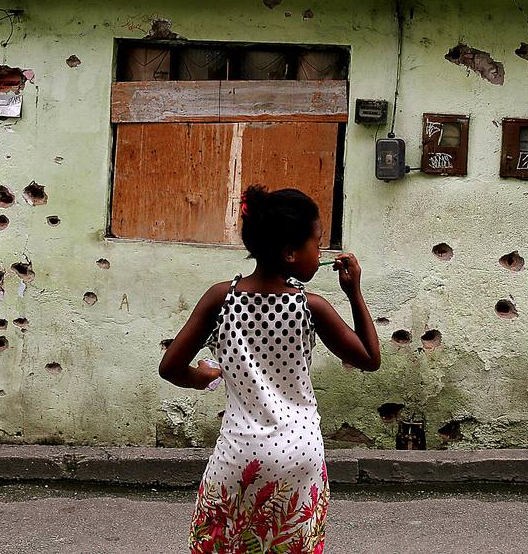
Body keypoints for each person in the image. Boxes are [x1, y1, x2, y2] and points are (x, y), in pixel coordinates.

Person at [160, 185, 380, 554]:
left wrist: (203, 377)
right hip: (300, 455)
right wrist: (354, 292)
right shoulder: (311, 307)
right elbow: (369, 358)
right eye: (317, 243)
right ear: (290, 252)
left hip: (239, 454)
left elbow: (170, 368)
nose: (320, 254)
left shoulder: (220, 298)